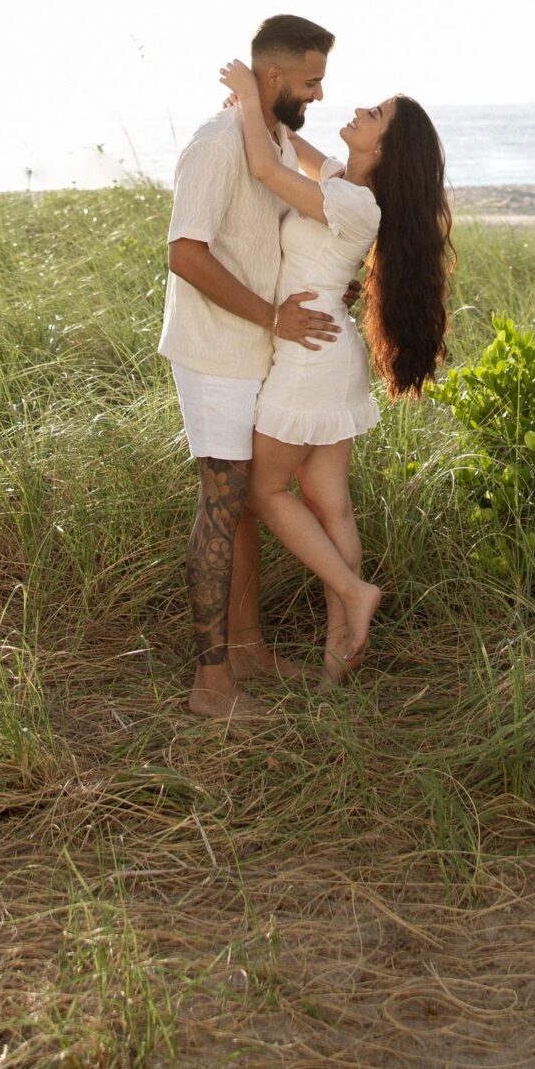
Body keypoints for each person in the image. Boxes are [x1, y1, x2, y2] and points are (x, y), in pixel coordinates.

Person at [220, 56, 451, 683]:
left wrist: (248, 98)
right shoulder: (348, 184)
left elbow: (267, 169)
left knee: (266, 492)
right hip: (328, 351)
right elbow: (298, 155)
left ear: (387, 147)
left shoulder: (354, 202)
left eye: (373, 114)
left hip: (309, 357)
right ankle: (336, 661)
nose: (358, 110)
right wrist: (277, 122)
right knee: (329, 505)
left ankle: (353, 593)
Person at [162, 14, 340, 722]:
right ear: (273, 77)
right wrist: (271, 317)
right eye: (310, 81)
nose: (319, 94)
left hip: (254, 352)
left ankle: (248, 651)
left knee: (242, 513)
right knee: (221, 502)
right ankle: (211, 687)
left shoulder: (265, 137)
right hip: (215, 355)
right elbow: (185, 253)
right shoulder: (215, 146)